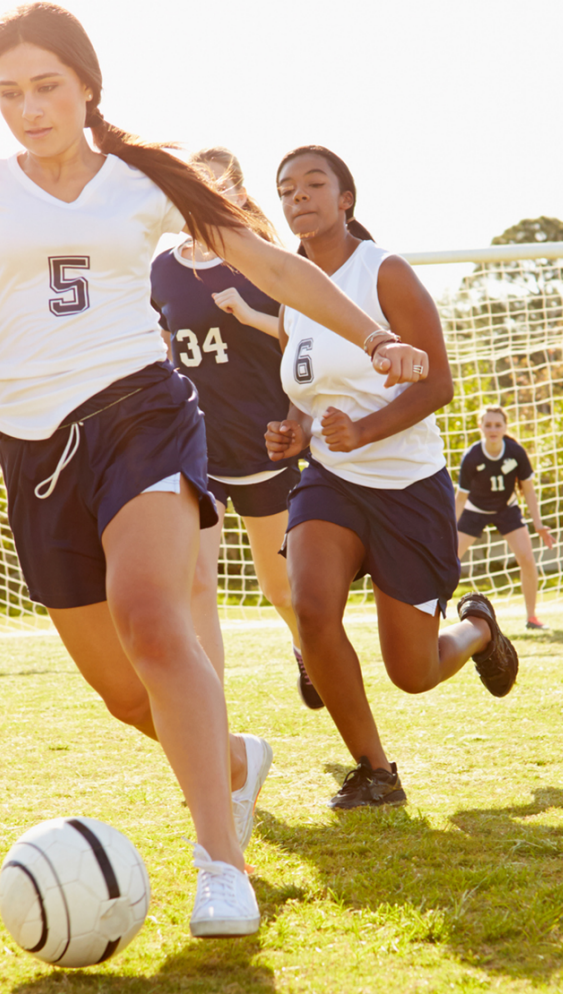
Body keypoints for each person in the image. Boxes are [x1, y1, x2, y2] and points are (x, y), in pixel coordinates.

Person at [0, 5, 428, 936]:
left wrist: (374, 334)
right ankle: (231, 761)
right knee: (127, 693)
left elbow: (275, 269)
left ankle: (221, 866)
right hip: (32, 451)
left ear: (87, 86)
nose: (29, 108)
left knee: (156, 624)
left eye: (46, 86)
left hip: (141, 418)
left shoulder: (144, 182)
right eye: (9, 93)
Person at [265, 145, 518, 811]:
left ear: (345, 198)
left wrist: (367, 430)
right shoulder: (290, 294)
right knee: (313, 609)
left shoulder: (386, 273)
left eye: (314, 184)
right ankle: (375, 772)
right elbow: (304, 383)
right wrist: (292, 428)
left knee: (413, 671)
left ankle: (479, 628)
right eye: (287, 189)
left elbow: (439, 383)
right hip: (332, 482)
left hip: (408, 486)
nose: (299, 197)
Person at [149, 147, 320, 711]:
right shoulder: (163, 270)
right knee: (197, 584)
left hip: (262, 443)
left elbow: (307, 341)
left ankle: (307, 649)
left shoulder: (264, 260)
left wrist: (251, 317)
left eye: (216, 187)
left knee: (281, 589)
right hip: (192, 445)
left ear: (240, 195)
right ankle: (211, 729)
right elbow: (162, 342)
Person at [456, 406, 556, 629]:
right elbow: (461, 497)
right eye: (488, 424)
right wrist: (448, 528)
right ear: (480, 426)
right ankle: (435, 613)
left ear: (505, 427)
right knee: (448, 561)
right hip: (475, 509)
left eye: (497, 425)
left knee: (527, 560)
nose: (493, 429)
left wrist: (538, 525)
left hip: (506, 508)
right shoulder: (472, 456)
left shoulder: (515, 452)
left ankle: (532, 617)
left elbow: (528, 490)